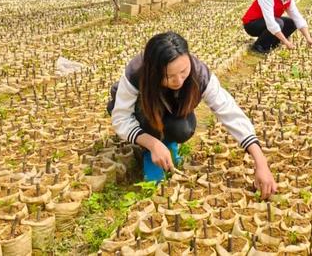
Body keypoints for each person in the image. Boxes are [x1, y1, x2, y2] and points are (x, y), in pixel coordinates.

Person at [108, 32, 277, 198]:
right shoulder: (136, 72)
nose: (179, 81)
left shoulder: (200, 74)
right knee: (150, 127)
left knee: (182, 129)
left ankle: (167, 143)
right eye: (169, 76)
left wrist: (260, 162)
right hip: (142, 110)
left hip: (170, 108)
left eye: (183, 71)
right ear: (153, 71)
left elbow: (229, 111)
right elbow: (121, 118)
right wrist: (152, 144)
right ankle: (150, 150)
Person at [242, 0, 312, 54]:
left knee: (292, 23)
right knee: (278, 23)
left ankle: (273, 43)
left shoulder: (288, 0)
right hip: (252, 25)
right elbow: (271, 23)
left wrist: (308, 38)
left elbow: (298, 18)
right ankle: (259, 46)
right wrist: (286, 42)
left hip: (266, 23)